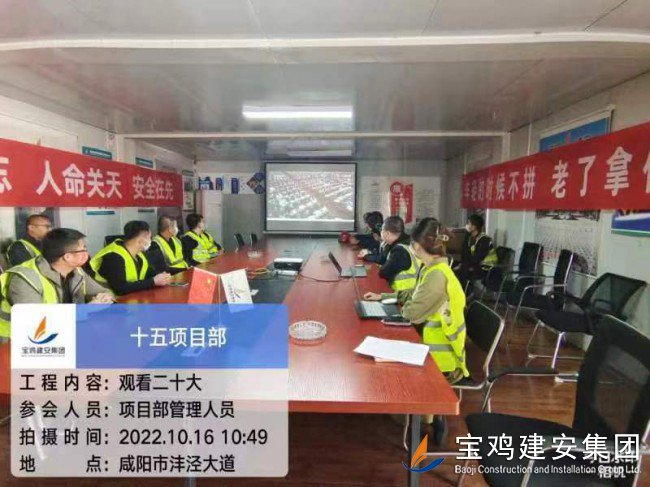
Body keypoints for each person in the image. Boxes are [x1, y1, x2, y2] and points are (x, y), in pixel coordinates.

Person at [364, 217, 468, 383]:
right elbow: (415, 293)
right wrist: (384, 296)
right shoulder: (432, 268)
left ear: (417, 246)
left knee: (385, 376)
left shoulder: (437, 276)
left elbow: (410, 314)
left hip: (440, 362)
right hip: (427, 348)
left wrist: (404, 305)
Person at [0, 228, 114, 338]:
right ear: (68, 257)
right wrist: (87, 309)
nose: (87, 254)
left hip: (61, 332)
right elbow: (36, 322)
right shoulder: (25, 279)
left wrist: (105, 297)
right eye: (83, 249)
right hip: (17, 340)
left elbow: (104, 291)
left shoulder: (76, 271)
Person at [89, 221, 171, 295]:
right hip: (112, 301)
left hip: (133, 297)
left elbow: (148, 273)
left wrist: (162, 277)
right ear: (140, 240)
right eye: (149, 238)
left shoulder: (139, 255)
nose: (151, 241)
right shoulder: (114, 256)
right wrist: (153, 281)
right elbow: (120, 288)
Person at [455, 214, 497, 290]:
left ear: (475, 226)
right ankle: (463, 292)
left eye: (469, 223)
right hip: (476, 265)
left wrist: (465, 265)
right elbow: (464, 253)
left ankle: (465, 293)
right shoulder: (470, 237)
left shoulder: (484, 239)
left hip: (485, 267)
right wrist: (462, 263)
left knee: (461, 271)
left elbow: (477, 258)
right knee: (456, 266)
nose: (467, 225)